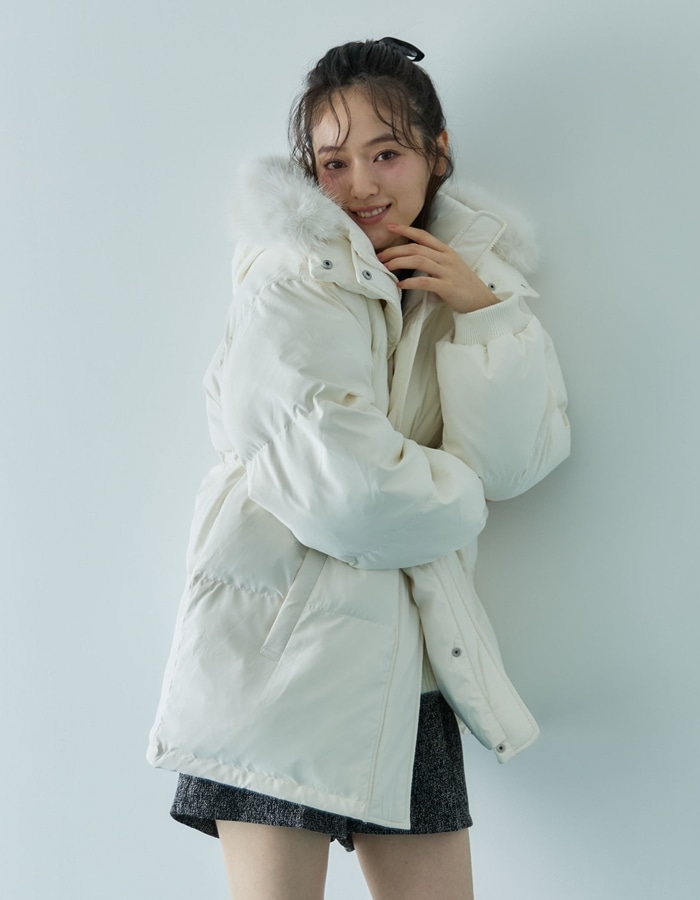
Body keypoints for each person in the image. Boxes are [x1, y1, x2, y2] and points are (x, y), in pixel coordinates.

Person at [147, 36, 570, 900]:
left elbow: (513, 465)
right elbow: (348, 491)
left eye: (387, 154)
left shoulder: (466, 278)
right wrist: (456, 498)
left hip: (406, 668)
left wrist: (482, 313)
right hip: (276, 662)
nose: (361, 185)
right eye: (333, 163)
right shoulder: (290, 275)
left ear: (437, 152)